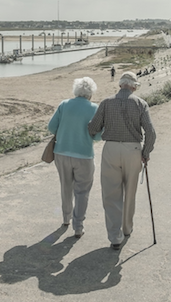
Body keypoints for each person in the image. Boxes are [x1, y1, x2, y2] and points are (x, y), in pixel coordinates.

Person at [88, 72, 156, 250]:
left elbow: (93, 127)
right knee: (130, 191)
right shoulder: (141, 103)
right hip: (133, 149)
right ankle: (127, 228)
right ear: (133, 86)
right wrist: (146, 152)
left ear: (120, 85)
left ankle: (114, 236)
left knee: (111, 193)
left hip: (111, 148)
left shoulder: (106, 102)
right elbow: (151, 132)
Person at [48, 77, 102, 238]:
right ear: (91, 93)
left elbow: (51, 127)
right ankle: (78, 226)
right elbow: (98, 136)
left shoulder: (64, 105)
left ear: (76, 90)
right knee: (82, 191)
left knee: (66, 186)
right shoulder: (94, 108)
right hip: (84, 155)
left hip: (62, 152)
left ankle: (66, 218)